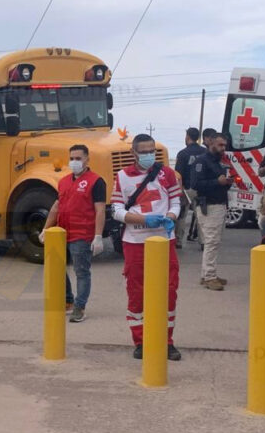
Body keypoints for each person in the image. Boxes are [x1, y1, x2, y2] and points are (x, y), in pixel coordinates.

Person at [111, 134, 183, 361]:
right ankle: (141, 341)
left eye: (151, 150)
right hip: (135, 243)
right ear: (134, 153)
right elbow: (116, 210)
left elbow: (176, 202)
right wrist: (142, 220)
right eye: (143, 151)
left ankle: (166, 341)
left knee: (169, 291)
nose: (148, 155)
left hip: (164, 242)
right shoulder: (123, 176)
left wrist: (171, 216)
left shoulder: (167, 174)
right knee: (136, 292)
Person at [39, 144, 106, 323]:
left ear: (87, 159)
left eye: (78, 158)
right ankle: (67, 301)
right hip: (62, 232)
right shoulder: (64, 181)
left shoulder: (96, 181)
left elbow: (100, 210)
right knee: (58, 269)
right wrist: (46, 228)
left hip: (82, 234)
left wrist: (98, 236)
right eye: (72, 158)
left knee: (81, 271)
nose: (74, 162)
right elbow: (56, 206)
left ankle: (80, 307)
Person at [192, 132, 231, 290]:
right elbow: (196, 184)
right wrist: (217, 181)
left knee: (213, 241)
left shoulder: (219, 162)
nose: (223, 148)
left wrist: (227, 182)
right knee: (212, 242)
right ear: (211, 144)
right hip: (209, 205)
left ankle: (206, 274)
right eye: (220, 145)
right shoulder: (202, 161)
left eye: (225, 146)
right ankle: (209, 276)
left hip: (219, 204)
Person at [174, 127, 206, 245]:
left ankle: (178, 241)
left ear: (187, 137)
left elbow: (178, 174)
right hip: (202, 189)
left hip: (186, 188)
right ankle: (203, 241)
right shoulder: (205, 152)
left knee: (182, 215)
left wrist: (179, 189)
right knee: (201, 216)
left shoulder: (182, 154)